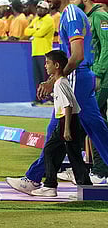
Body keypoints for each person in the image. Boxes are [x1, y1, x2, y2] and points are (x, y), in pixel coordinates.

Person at [7, 0, 108, 194]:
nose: (45, 0)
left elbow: (78, 54)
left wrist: (54, 80)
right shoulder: (68, 15)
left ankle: (36, 179)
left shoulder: (70, 15)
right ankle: (40, 179)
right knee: (93, 127)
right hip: (79, 77)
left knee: (58, 130)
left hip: (75, 77)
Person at [30, 50, 91, 197]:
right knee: (72, 154)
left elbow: (68, 106)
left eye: (48, 63)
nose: (45, 66)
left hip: (66, 121)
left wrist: (66, 129)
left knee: (50, 150)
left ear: (56, 65)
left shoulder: (59, 84)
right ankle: (85, 186)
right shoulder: (62, 82)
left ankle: (51, 186)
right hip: (69, 121)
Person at [67, 0, 108, 183]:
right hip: (94, 76)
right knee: (91, 122)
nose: (72, 5)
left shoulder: (100, 17)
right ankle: (91, 169)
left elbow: (107, 47)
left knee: (92, 122)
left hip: (101, 78)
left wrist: (99, 74)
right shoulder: (89, 17)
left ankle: (100, 171)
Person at [24, 1, 54, 105]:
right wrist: (35, 31)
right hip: (35, 52)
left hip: (45, 52)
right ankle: (39, 99)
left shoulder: (49, 20)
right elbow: (26, 31)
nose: (39, 10)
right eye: (38, 8)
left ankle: (50, 98)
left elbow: (41, 33)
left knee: (46, 77)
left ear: (47, 10)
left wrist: (34, 31)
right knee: (37, 78)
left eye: (42, 8)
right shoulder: (36, 19)